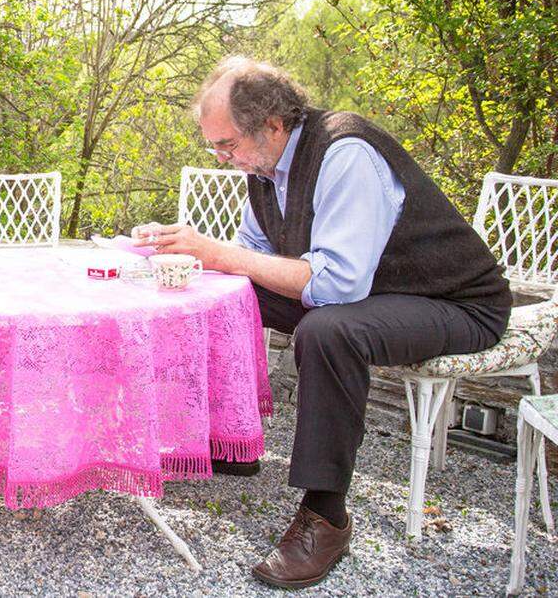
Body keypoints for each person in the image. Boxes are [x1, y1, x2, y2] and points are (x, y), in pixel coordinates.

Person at [133, 57, 511, 589]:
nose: (222, 159)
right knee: (223, 295)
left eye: (227, 145)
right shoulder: (264, 167)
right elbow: (253, 255)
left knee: (329, 330)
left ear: (272, 124)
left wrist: (222, 255)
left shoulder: (345, 152)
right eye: (214, 147)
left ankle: (327, 517)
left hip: (452, 300)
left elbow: (338, 287)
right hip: (377, 293)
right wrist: (189, 258)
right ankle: (233, 439)